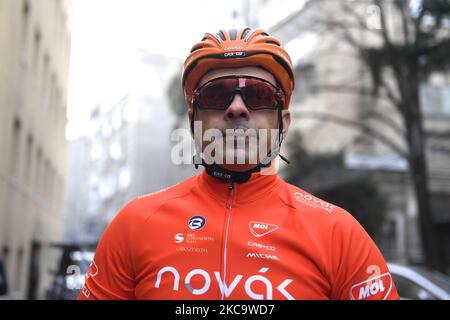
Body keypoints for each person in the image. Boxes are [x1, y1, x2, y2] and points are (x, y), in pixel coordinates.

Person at [78, 28, 399, 300]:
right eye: (217, 95)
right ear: (193, 122)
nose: (236, 108)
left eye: (257, 95)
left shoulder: (338, 232)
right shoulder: (135, 223)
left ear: (283, 124)